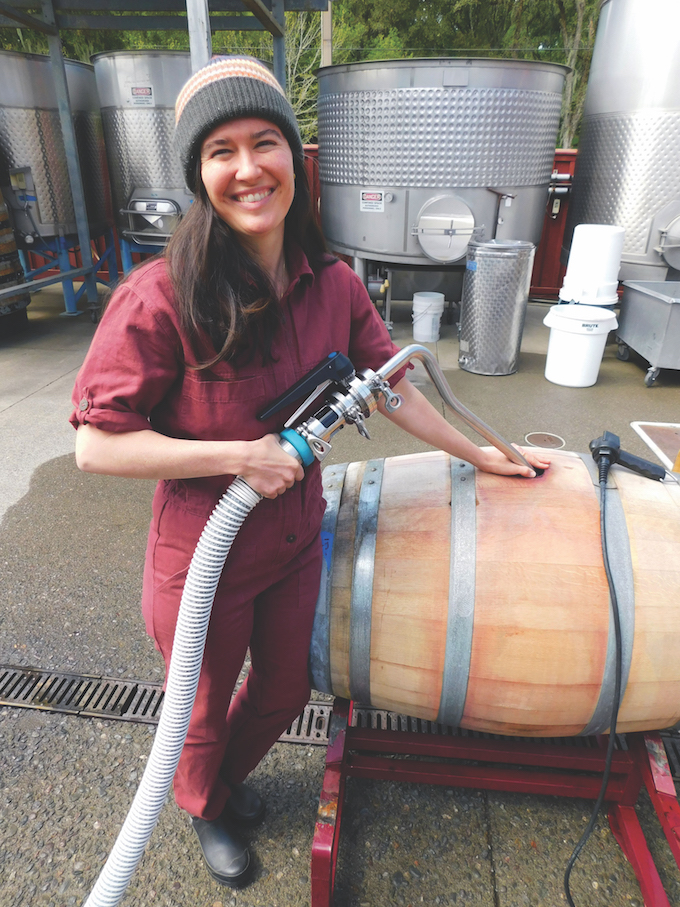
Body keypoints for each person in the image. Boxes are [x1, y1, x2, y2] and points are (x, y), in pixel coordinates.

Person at [70, 56, 550, 889]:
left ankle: (221, 782)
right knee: (198, 709)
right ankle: (203, 803)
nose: (248, 168)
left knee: (285, 689)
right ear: (198, 175)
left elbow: (395, 387)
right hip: (203, 563)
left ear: (295, 157)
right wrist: (237, 456)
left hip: (293, 546)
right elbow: (97, 445)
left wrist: (486, 454)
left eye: (266, 142)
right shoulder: (160, 297)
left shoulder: (331, 285)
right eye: (221, 151)